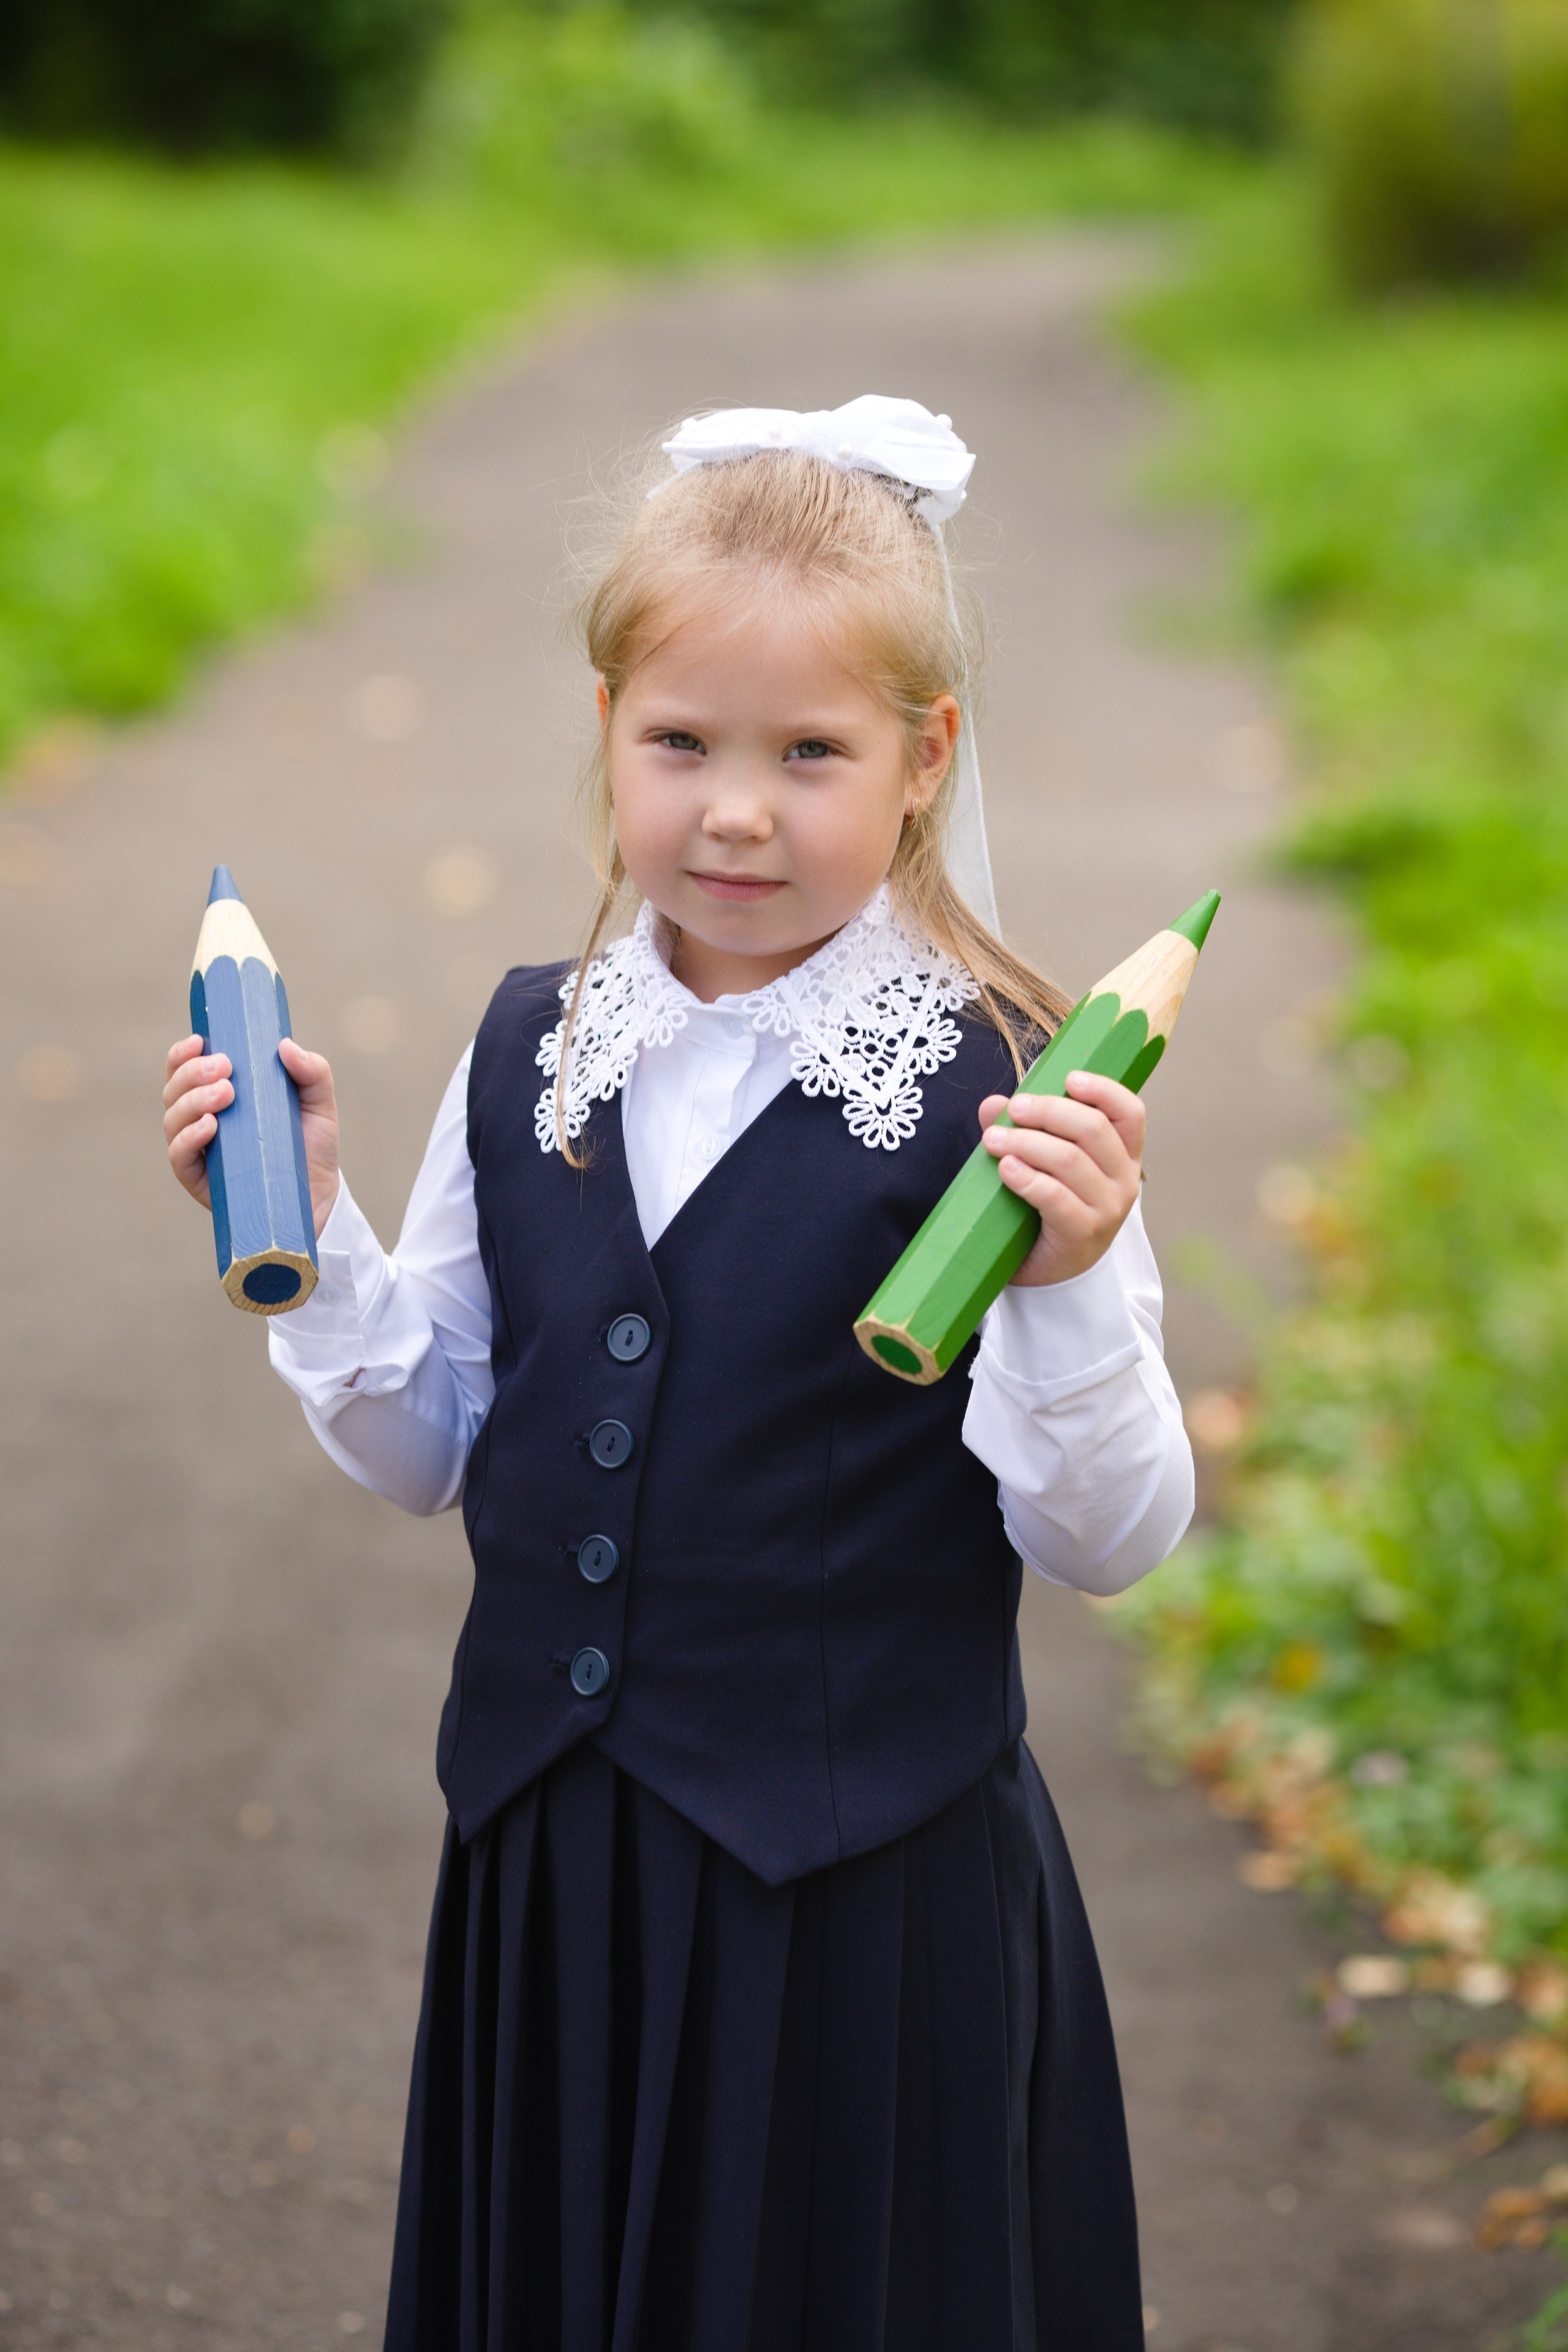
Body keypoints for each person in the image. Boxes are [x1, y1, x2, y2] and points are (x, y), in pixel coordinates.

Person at [161, 396, 1194, 2351]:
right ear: (611, 734)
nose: (737, 811)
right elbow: (432, 1444)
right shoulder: (535, 1041)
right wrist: (305, 1239)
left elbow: (1112, 1536)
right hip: (563, 1869)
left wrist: (1057, 1278)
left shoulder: (1019, 1085)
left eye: (811, 753)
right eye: (682, 745)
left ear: (923, 760)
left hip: (854, 1894)